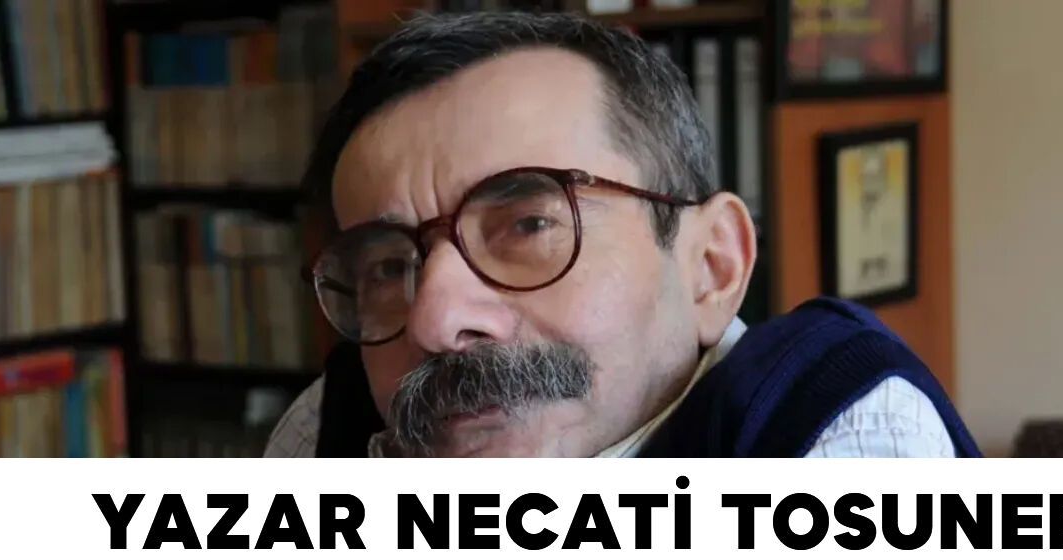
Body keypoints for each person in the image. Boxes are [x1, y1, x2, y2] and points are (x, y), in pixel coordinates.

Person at [265, 11, 979, 459]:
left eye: (529, 225)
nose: (435, 320)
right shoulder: (331, 427)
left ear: (712, 266)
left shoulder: (837, 429)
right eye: (387, 268)